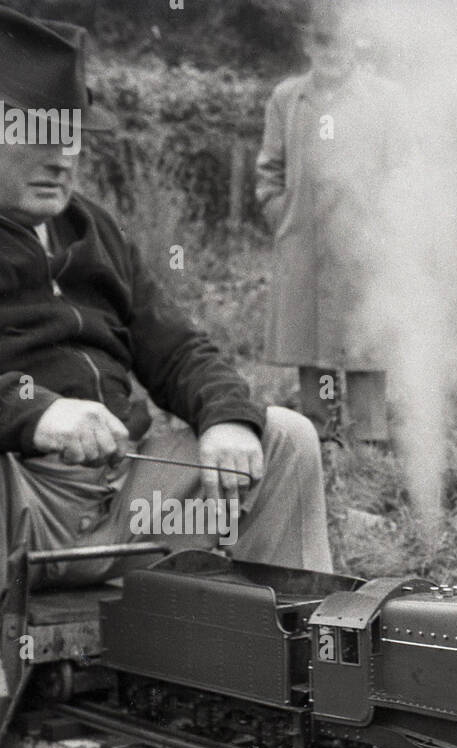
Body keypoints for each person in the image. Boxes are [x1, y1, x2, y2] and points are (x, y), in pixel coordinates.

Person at [0, 6, 333, 591]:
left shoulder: (96, 229)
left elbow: (176, 349)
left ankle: (280, 656)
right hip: (24, 515)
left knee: (285, 437)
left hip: (135, 513)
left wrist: (225, 417)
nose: (61, 157)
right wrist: (35, 413)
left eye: (72, 136)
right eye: (36, 133)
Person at [256, 0, 394, 446]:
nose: (333, 51)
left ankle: (369, 437)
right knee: (309, 337)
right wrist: (281, 214)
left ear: (356, 45)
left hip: (366, 241)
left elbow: (404, 169)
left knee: (366, 336)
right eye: (323, 41)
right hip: (303, 237)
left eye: (342, 42)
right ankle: (317, 433)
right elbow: (269, 170)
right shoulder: (286, 97)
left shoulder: (384, 98)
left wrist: (388, 227)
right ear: (307, 43)